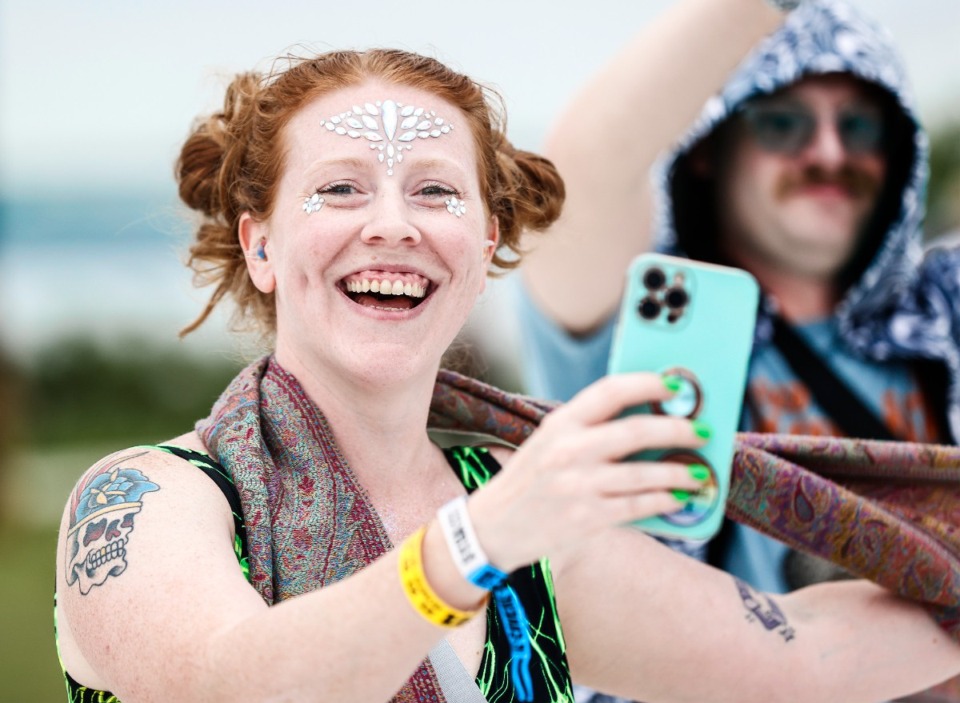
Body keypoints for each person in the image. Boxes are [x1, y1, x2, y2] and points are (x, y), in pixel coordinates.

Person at [54, 46, 960, 703]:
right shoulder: (146, 497)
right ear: (261, 243)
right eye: (339, 188)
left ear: (485, 246)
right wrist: (481, 538)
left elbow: (806, 654)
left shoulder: (531, 529)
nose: (393, 225)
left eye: (436, 191)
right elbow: (223, 687)